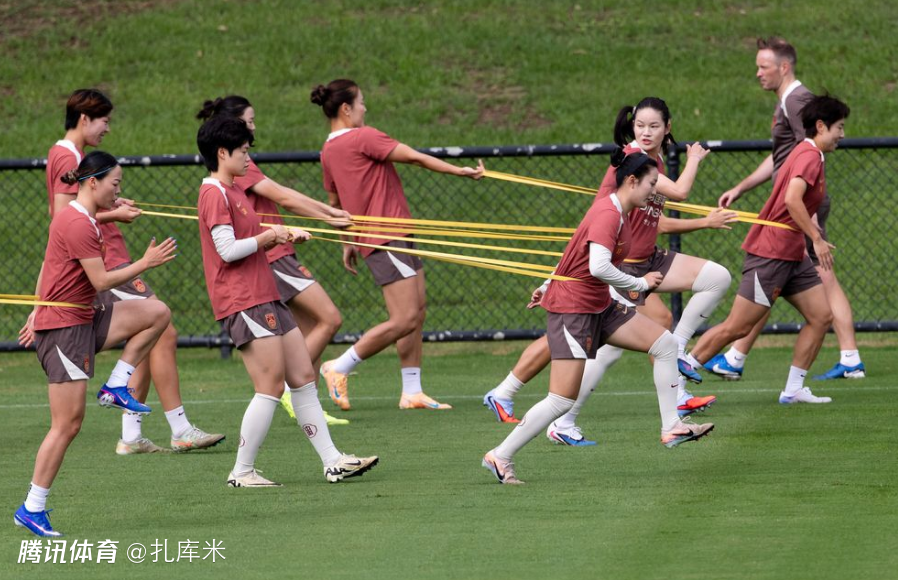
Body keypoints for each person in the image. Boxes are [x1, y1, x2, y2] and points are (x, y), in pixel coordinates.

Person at [483, 97, 735, 445]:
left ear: (667, 128)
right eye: (640, 125)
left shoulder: (649, 170)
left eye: (654, 126)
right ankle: (523, 411)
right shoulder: (633, 163)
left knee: (698, 297)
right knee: (577, 367)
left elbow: (656, 222)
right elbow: (676, 194)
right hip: (615, 273)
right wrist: (693, 159)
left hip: (638, 263)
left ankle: (669, 409)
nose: (646, 132)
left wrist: (703, 222)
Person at [35, 88, 223, 455]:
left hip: (106, 258)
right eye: (104, 120)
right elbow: (62, 219)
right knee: (163, 329)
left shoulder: (74, 156)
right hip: (104, 264)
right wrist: (114, 214)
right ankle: (175, 428)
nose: (107, 128)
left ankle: (133, 433)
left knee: (157, 324)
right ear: (85, 119)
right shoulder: (68, 155)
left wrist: (112, 205)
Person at [195, 115, 377, 487]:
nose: (248, 157)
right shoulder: (214, 193)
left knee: (303, 376)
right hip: (243, 300)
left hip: (265, 294)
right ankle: (242, 472)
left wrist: (284, 233)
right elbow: (227, 250)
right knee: (270, 386)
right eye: (243, 151)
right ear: (222, 153)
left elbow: (249, 237)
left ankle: (333, 461)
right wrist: (271, 236)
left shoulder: (234, 190)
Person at [14, 152, 176, 537]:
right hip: (64, 331)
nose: (119, 191)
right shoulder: (78, 222)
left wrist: (113, 212)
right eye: (114, 184)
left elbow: (85, 226)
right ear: (92, 182)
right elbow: (101, 281)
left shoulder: (83, 216)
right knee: (67, 425)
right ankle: (31, 508)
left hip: (85, 317)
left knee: (157, 312)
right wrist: (146, 262)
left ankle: (116, 384)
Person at [311, 79, 484, 411]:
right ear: (346, 109)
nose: (365, 108)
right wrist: (460, 172)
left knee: (416, 312)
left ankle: (412, 392)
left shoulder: (327, 150)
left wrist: (348, 242)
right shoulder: (363, 136)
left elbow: (335, 202)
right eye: (361, 102)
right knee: (404, 318)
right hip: (386, 238)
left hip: (389, 236)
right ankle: (338, 366)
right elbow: (415, 158)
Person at [711, 37, 865, 382]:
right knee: (781, 277)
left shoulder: (796, 102)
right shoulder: (786, 102)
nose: (758, 73)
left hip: (798, 206)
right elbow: (782, 156)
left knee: (811, 274)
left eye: (763, 66)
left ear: (783, 67)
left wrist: (811, 220)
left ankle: (849, 355)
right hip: (794, 205)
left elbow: (809, 154)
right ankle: (737, 357)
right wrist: (741, 187)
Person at [684, 95, 850, 405]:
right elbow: (792, 199)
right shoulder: (809, 155)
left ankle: (793, 390)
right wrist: (816, 237)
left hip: (792, 254)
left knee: (820, 316)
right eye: (839, 127)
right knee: (738, 327)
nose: (842, 134)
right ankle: (679, 379)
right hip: (771, 254)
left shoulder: (809, 153)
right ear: (820, 126)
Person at [197, 95, 350, 427]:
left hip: (274, 250)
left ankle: (308, 404)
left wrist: (326, 215)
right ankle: (299, 388)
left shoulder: (238, 167)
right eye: (249, 122)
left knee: (312, 329)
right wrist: (329, 215)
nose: (253, 129)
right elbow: (282, 197)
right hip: (270, 258)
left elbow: (278, 199)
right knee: (327, 320)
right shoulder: (229, 176)